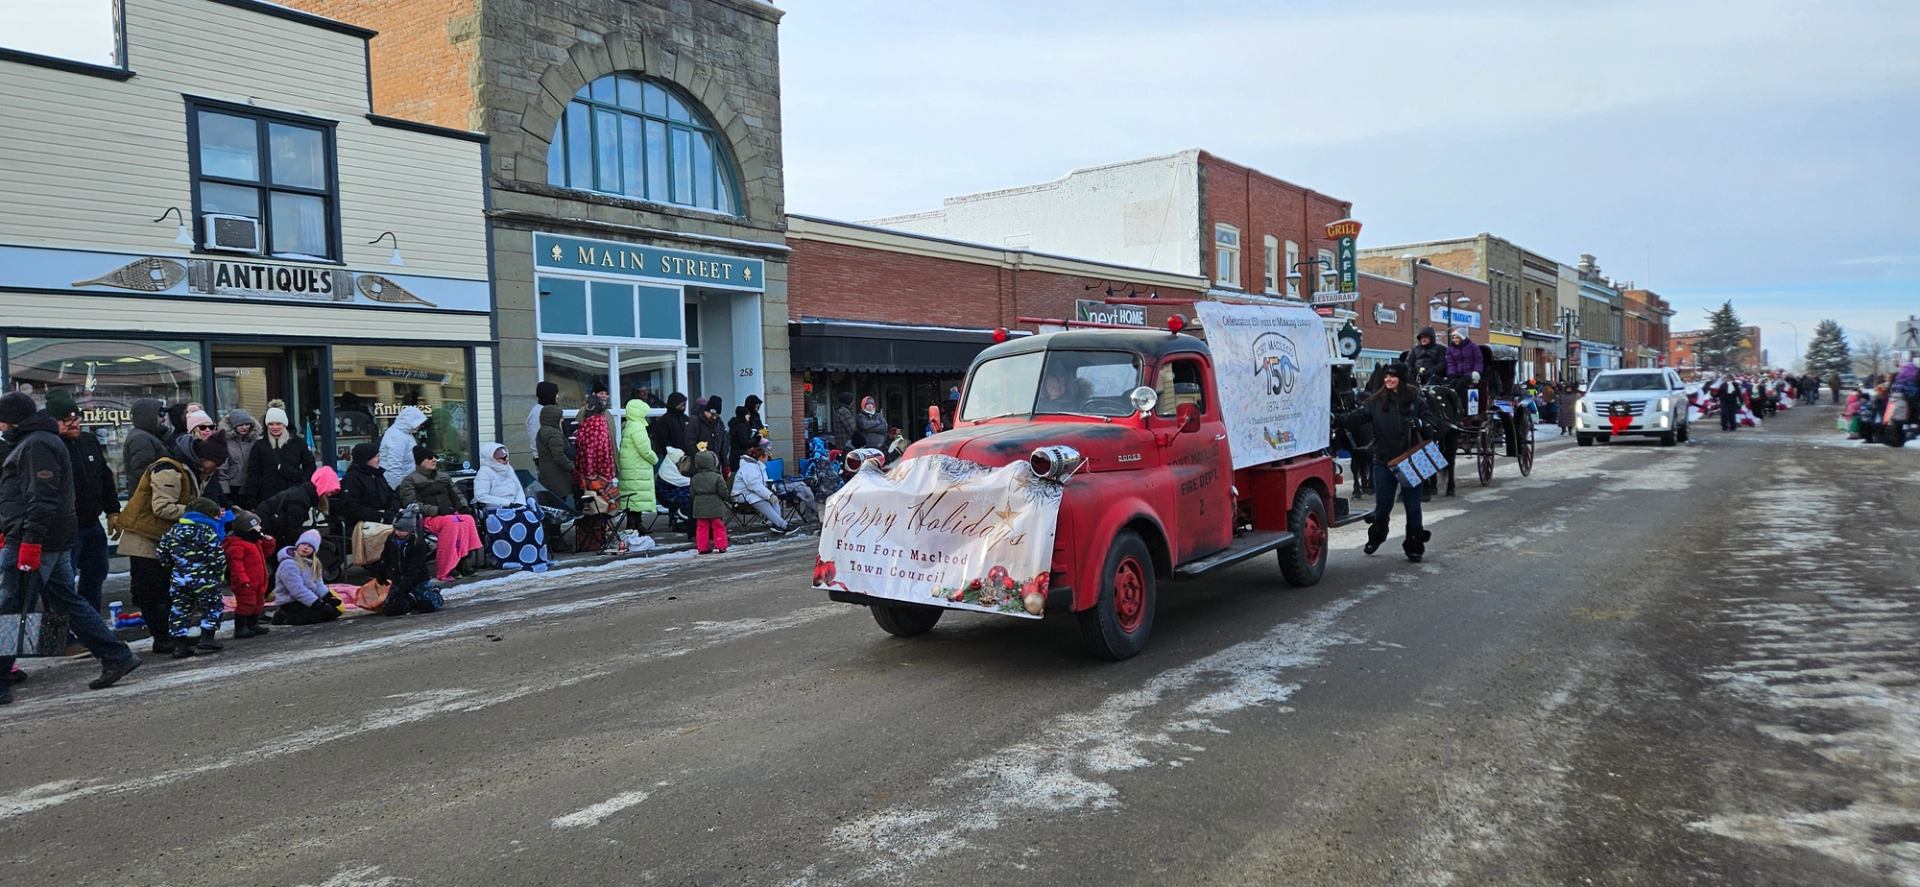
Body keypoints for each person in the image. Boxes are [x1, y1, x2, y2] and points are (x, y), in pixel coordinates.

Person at [0, 392, 140, 702]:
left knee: (12, 607)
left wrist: (30, 542)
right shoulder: (36, 441)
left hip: (36, 540)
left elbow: (42, 497)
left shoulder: (37, 444)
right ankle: (116, 655)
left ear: (13, 420)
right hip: (45, 537)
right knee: (64, 600)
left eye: (3, 420)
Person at [114, 431, 224, 654]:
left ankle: (173, 636)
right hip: (144, 538)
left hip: (161, 537)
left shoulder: (189, 470)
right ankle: (163, 638)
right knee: (152, 592)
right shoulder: (169, 470)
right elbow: (163, 507)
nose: (218, 467)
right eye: (217, 462)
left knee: (166, 591)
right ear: (204, 458)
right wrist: (201, 514)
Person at [1333, 364, 1432, 563]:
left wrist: (1420, 424)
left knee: (1412, 506)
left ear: (1402, 379)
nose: (1388, 380)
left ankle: (1414, 544)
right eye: (1387, 376)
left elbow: (1431, 427)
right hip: (1383, 460)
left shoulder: (1416, 400)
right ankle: (1377, 536)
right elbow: (1356, 418)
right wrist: (1335, 418)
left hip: (1411, 459)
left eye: (1393, 377)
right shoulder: (1376, 401)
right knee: (1383, 505)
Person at [46, 390, 118, 616]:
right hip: (65, 527)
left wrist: (113, 510)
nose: (75, 424)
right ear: (53, 421)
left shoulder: (89, 441)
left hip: (92, 522)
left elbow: (105, 478)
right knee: (64, 583)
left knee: (96, 574)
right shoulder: (48, 446)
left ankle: (92, 624)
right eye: (68, 421)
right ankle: (65, 634)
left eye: (77, 418)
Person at [155, 497, 229, 658]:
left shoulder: (172, 531)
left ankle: (179, 645)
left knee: (179, 610)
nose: (218, 519)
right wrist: (219, 574)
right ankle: (207, 639)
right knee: (212, 607)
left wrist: (174, 567)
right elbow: (217, 557)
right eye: (216, 516)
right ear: (207, 515)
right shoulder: (207, 531)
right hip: (205, 579)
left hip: (179, 580)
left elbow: (162, 555)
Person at [398, 446, 483, 581]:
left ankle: (463, 560)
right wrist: (436, 510)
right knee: (452, 523)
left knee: (467, 519)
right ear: (420, 461)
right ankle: (448, 566)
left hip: (449, 514)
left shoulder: (444, 476)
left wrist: (463, 507)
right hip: (428, 517)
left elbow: (457, 494)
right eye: (429, 458)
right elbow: (411, 504)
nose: (434, 460)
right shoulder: (410, 480)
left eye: (435, 457)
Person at [474, 442, 549, 572]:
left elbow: (519, 489)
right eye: (502, 458)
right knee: (510, 521)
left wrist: (520, 503)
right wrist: (506, 503)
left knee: (531, 519)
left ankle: (533, 556)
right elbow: (481, 496)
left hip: (515, 506)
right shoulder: (484, 473)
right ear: (491, 458)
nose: (506, 460)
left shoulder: (509, 468)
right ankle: (511, 557)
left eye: (506, 456)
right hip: (496, 509)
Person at [255, 466, 340, 568]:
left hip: (271, 525)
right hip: (270, 529)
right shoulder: (300, 500)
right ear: (322, 486)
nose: (330, 494)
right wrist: (315, 540)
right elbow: (291, 531)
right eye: (329, 490)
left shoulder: (303, 493)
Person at [244, 402, 315, 507]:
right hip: (267, 498)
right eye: (271, 424)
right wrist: (252, 498)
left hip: (294, 496)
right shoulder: (259, 445)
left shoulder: (298, 443)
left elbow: (310, 465)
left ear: (284, 424)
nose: (275, 427)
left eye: (278, 423)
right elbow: (253, 473)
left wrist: (302, 483)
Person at [271, 529, 340, 625]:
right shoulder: (288, 564)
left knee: (334, 612)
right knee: (323, 615)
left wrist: (328, 597)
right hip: (290, 602)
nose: (306, 548)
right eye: (304, 544)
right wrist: (318, 604)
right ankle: (284, 616)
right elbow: (297, 590)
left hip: (306, 600)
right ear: (298, 545)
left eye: (310, 546)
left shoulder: (313, 563)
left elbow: (318, 583)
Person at [224, 508, 274, 639]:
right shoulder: (237, 545)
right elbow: (236, 566)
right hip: (246, 583)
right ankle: (240, 628)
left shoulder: (255, 542)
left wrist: (269, 542)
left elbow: (266, 555)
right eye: (256, 525)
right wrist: (242, 580)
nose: (260, 528)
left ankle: (253, 624)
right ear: (247, 529)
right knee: (246, 604)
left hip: (259, 580)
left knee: (258, 604)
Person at [333, 443, 398, 533]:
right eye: (376, 456)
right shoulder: (352, 478)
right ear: (366, 458)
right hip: (361, 524)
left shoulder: (377, 475)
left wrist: (392, 510)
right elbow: (351, 507)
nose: (379, 460)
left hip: (382, 520)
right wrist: (378, 516)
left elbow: (391, 495)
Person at [731, 442, 793, 534]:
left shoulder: (758, 466)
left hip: (750, 493)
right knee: (764, 501)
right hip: (741, 495)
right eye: (767, 456)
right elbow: (754, 485)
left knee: (774, 500)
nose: (768, 458)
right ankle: (783, 525)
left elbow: (762, 483)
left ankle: (778, 525)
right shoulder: (749, 467)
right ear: (761, 457)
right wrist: (769, 495)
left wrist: (771, 492)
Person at [618, 399, 659, 529]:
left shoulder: (629, 426)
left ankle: (635, 526)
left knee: (633, 500)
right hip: (637, 468)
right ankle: (635, 528)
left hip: (631, 468)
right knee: (636, 499)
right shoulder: (638, 427)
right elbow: (644, 450)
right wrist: (655, 460)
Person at [688, 448, 730, 554]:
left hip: (699, 506)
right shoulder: (717, 477)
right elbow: (723, 491)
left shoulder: (694, 477)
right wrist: (725, 498)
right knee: (718, 526)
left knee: (701, 527)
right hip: (715, 505)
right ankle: (721, 545)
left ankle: (702, 547)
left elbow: (692, 493)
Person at [534, 403, 576, 506]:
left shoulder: (542, 431)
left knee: (551, 505)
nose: (563, 419)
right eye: (560, 417)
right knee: (558, 506)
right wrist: (572, 468)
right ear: (553, 418)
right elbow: (559, 456)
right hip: (557, 476)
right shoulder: (553, 434)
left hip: (548, 475)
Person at [379, 405, 428, 490]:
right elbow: (394, 466)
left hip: (406, 481)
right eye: (418, 423)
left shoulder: (405, 433)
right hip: (398, 484)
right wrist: (396, 490)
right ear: (410, 421)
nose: (419, 426)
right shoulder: (396, 436)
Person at [124, 397, 172, 483]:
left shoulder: (150, 435)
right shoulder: (141, 438)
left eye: (164, 414)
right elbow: (144, 473)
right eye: (160, 414)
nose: (164, 418)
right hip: (151, 494)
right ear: (148, 416)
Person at [220, 408, 259, 508]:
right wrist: (225, 491)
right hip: (233, 486)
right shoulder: (226, 442)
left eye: (247, 424)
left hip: (251, 486)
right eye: (240, 425)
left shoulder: (255, 440)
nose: (244, 427)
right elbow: (222, 469)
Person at [693, 396, 729, 469]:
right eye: (712, 414)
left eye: (717, 415)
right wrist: (701, 460)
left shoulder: (719, 424)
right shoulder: (696, 422)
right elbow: (690, 443)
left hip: (716, 464)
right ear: (706, 411)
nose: (714, 417)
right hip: (701, 465)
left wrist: (725, 463)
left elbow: (723, 443)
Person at [527, 380, 559, 455]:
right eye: (555, 393)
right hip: (544, 458)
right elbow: (536, 438)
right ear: (548, 394)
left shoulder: (545, 410)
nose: (558, 396)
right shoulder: (538, 413)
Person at [727, 406, 755, 475]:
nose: (749, 416)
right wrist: (757, 439)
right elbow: (744, 442)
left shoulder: (735, 425)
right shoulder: (741, 426)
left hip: (734, 456)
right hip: (740, 456)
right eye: (747, 414)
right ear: (743, 415)